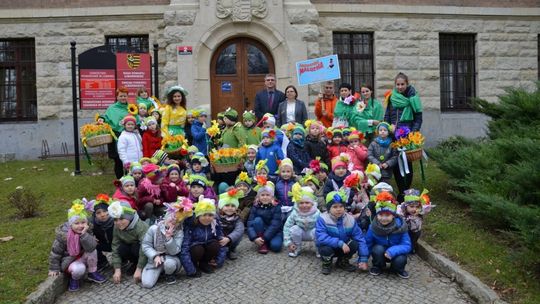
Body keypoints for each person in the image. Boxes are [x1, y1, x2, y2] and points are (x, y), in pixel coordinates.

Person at [48, 200, 107, 291]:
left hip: (82, 257)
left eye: (83, 223)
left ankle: (92, 272)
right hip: (69, 261)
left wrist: (84, 234)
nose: (80, 226)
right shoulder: (64, 236)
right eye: (76, 223)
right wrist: (54, 268)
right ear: (71, 225)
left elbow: (91, 247)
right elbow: (55, 253)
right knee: (80, 269)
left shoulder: (87, 231)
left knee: (93, 251)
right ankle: (74, 279)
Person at [384, 73, 423, 202]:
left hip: (407, 137)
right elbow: (387, 116)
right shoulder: (391, 98)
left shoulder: (413, 98)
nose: (400, 87)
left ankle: (407, 189)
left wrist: (412, 132)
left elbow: (418, 118)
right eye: (398, 84)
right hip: (394, 136)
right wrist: (389, 127)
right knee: (396, 164)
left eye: (402, 84)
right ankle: (401, 191)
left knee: (407, 164)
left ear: (407, 84)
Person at [141, 198, 192, 288]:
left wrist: (169, 239)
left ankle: (169, 274)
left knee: (169, 264)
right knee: (147, 284)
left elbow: (175, 251)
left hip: (171, 259)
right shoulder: (153, 228)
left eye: (177, 222)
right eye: (171, 219)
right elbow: (146, 245)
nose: (173, 223)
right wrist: (154, 256)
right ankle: (159, 271)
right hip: (155, 259)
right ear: (166, 216)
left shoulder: (179, 232)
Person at [315, 191, 369, 275]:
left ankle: (342, 261)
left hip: (344, 247)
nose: (338, 209)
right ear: (329, 208)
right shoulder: (322, 219)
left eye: (341, 206)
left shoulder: (350, 219)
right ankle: (326, 263)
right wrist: (339, 243)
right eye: (335, 207)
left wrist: (363, 258)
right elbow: (321, 237)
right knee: (325, 248)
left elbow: (360, 238)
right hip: (329, 246)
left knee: (354, 243)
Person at [365, 192, 412, 278]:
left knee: (400, 259)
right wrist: (363, 259)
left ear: (393, 215)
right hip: (380, 251)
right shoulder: (373, 227)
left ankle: (397, 269)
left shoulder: (401, 226)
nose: (383, 218)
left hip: (395, 252)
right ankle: (378, 266)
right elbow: (368, 243)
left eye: (387, 215)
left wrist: (392, 251)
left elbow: (407, 245)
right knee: (377, 249)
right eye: (380, 215)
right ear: (377, 215)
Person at [181, 198, 226, 276]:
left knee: (215, 245)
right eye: (204, 215)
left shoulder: (215, 224)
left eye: (210, 215)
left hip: (207, 247)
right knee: (197, 249)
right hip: (195, 249)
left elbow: (222, 241)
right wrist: (190, 269)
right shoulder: (191, 225)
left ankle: (204, 263)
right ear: (198, 215)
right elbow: (184, 247)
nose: (207, 218)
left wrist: (219, 261)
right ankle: (194, 264)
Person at [108, 201, 149, 284]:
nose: (118, 223)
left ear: (129, 217)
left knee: (136, 248)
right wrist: (117, 269)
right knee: (121, 248)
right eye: (115, 220)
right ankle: (135, 263)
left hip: (145, 251)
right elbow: (115, 246)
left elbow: (144, 248)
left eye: (121, 219)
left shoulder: (140, 227)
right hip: (130, 247)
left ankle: (142, 265)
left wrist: (139, 269)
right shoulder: (117, 227)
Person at [104, 87, 136, 178]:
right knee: (117, 159)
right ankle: (120, 180)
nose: (123, 98)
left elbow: (136, 119)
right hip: (115, 135)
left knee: (129, 158)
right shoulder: (111, 108)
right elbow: (106, 117)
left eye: (125, 96)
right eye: (121, 96)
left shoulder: (131, 108)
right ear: (117, 97)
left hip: (129, 135)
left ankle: (130, 179)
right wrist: (101, 119)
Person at [283, 183, 320, 257]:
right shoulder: (295, 212)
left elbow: (323, 227)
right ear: (297, 204)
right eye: (301, 203)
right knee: (294, 229)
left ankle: (319, 249)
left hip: (312, 233)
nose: (304, 205)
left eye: (307, 203)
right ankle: (297, 247)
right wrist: (289, 242)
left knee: (318, 230)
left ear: (312, 203)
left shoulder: (317, 212)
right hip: (301, 233)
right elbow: (287, 226)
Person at [247, 178, 283, 254]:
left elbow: (275, 225)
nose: (265, 197)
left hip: (275, 232)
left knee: (276, 247)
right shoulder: (255, 206)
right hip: (261, 229)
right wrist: (254, 238)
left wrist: (264, 238)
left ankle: (264, 241)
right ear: (258, 197)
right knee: (257, 220)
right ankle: (262, 244)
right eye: (262, 195)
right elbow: (250, 223)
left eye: (267, 195)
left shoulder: (276, 207)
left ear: (272, 197)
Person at [397, 189, 434, 253]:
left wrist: (419, 211)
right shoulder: (401, 211)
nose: (414, 209)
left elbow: (426, 209)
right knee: (404, 237)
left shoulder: (419, 210)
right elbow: (399, 218)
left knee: (415, 236)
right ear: (406, 206)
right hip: (404, 229)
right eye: (411, 206)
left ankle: (412, 245)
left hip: (416, 229)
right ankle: (403, 245)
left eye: (417, 207)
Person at [217, 189, 245, 260]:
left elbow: (239, 230)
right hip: (219, 238)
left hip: (230, 239)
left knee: (239, 234)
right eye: (226, 205)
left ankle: (231, 249)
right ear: (221, 207)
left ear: (236, 208)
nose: (230, 208)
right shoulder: (216, 216)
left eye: (233, 206)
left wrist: (229, 238)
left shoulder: (237, 217)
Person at [90, 194, 114, 271]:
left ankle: (123, 260)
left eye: (105, 211)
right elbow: (87, 233)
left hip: (116, 243)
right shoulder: (92, 223)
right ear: (95, 215)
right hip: (103, 244)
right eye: (98, 213)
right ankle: (102, 261)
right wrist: (91, 238)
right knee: (90, 245)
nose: (102, 215)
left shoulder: (116, 221)